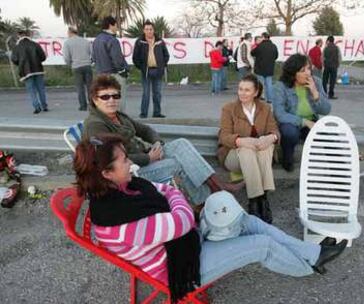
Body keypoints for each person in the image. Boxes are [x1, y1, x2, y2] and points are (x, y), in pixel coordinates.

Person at [74, 134, 348, 302]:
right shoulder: (117, 222)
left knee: (248, 222)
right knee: (261, 246)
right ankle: (307, 266)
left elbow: (168, 191)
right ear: (107, 174)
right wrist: (178, 203)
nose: (130, 163)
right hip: (178, 267)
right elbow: (179, 216)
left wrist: (176, 202)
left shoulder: (125, 187)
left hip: (184, 243)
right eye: (123, 160)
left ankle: (314, 254)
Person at [82, 75, 244, 205]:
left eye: (115, 95)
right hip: (129, 172)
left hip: (143, 157)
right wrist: (149, 158)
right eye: (105, 97)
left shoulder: (118, 116)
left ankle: (216, 187)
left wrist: (157, 142)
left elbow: (145, 130)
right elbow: (107, 162)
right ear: (95, 100)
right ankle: (206, 200)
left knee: (181, 144)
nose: (111, 100)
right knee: (177, 163)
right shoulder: (96, 125)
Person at [218, 74, 280, 223]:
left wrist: (271, 137)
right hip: (233, 156)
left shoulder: (265, 108)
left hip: (259, 153)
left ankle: (261, 201)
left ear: (256, 92)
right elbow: (224, 136)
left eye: (247, 90)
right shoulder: (229, 109)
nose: (242, 93)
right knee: (247, 150)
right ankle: (255, 199)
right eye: (240, 89)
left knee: (266, 147)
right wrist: (240, 141)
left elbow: (274, 129)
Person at [273, 53, 331, 172]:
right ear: (293, 73)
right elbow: (280, 114)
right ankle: (287, 158)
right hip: (291, 122)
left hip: (311, 121)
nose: (307, 73)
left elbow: (326, 110)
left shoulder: (317, 82)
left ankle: (339, 172)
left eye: (309, 69)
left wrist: (315, 94)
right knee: (289, 132)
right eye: (302, 70)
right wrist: (303, 121)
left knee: (330, 137)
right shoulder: (280, 86)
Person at [133, 20, 170, 118]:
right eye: (147, 29)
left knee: (157, 93)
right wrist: (141, 68)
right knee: (146, 93)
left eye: (150, 29)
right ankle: (143, 113)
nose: (149, 31)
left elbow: (166, 55)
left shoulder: (160, 41)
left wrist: (162, 65)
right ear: (143, 30)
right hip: (146, 71)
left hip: (158, 71)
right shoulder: (139, 42)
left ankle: (157, 113)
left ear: (153, 30)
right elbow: (135, 57)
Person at [92, 16, 129, 112]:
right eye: (116, 25)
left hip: (100, 74)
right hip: (114, 74)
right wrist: (123, 71)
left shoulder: (96, 40)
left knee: (105, 101)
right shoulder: (112, 40)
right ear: (111, 25)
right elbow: (117, 59)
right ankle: (119, 122)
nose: (117, 27)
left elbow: (94, 58)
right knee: (117, 101)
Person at [11, 30, 48, 114]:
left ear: (19, 36)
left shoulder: (17, 47)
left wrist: (20, 64)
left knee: (31, 90)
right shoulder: (35, 44)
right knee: (41, 89)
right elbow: (43, 57)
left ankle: (36, 107)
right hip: (38, 69)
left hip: (26, 71)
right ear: (27, 35)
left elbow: (14, 59)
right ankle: (44, 106)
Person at [63, 26, 92, 111]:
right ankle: (92, 105)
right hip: (87, 65)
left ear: (70, 32)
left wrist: (69, 64)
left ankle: (83, 106)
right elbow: (91, 53)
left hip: (76, 66)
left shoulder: (67, 43)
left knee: (80, 88)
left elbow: (66, 57)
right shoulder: (85, 41)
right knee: (90, 87)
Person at [251, 32, 279, 103]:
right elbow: (276, 56)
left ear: (263, 37)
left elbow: (252, 53)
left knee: (261, 84)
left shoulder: (260, 46)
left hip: (260, 68)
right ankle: (270, 99)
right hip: (270, 68)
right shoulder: (273, 46)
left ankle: (261, 97)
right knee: (269, 84)